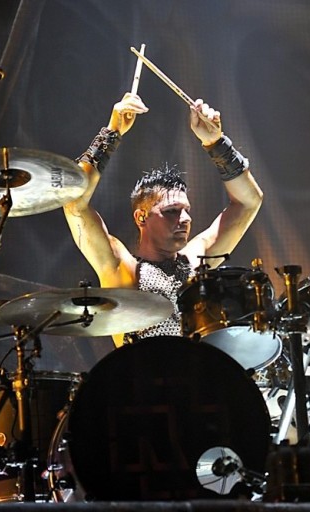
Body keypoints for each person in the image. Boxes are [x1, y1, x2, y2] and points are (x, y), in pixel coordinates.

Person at [63, 92, 263, 347]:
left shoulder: (195, 261)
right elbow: (74, 203)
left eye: (186, 210)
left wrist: (216, 143)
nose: (185, 219)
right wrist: (112, 132)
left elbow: (249, 202)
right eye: (171, 211)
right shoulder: (122, 268)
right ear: (141, 217)